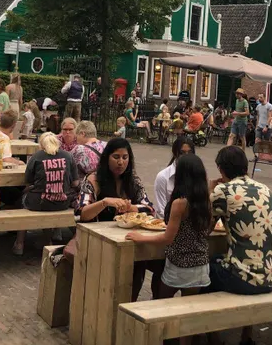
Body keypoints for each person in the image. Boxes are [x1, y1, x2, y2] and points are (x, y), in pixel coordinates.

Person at [126, 154, 211, 339]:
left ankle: (158, 338)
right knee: (188, 313)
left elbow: (168, 238)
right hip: (201, 266)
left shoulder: (180, 203)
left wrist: (141, 238)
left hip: (179, 265)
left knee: (160, 303)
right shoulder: (207, 201)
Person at [207, 146, 272, 345]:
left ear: (221, 169)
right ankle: (246, 336)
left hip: (245, 279)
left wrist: (210, 191)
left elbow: (205, 229)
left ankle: (213, 337)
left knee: (203, 271)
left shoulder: (223, 191)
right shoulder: (265, 189)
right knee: (225, 260)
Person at [76, 138, 154, 300]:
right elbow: (81, 214)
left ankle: (129, 301)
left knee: (140, 262)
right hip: (98, 241)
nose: (121, 162)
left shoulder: (133, 181)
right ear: (107, 158)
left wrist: (131, 208)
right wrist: (104, 202)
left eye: (125, 157)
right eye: (116, 157)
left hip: (127, 239)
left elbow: (150, 209)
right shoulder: (93, 180)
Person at [13, 132, 80, 255]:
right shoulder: (68, 156)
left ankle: (19, 243)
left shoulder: (36, 156)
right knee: (49, 203)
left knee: (22, 202)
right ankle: (47, 239)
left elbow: (28, 181)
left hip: (38, 203)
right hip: (62, 203)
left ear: (42, 145)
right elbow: (75, 183)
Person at [153, 136, 195, 219]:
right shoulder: (163, 177)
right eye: (182, 153)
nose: (186, 157)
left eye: (190, 153)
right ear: (175, 153)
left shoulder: (197, 174)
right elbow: (161, 210)